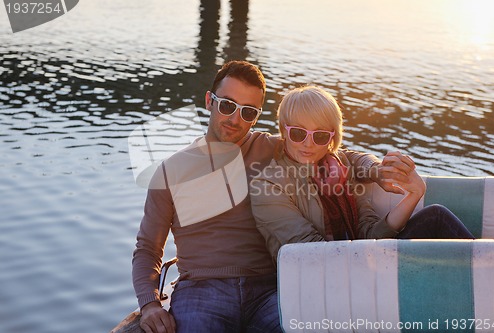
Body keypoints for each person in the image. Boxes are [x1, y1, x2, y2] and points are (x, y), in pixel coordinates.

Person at [132, 62, 414, 333]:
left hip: (271, 289)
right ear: (209, 101)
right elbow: (148, 249)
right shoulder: (170, 171)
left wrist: (375, 170)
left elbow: (338, 153)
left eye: (248, 112)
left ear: (256, 117)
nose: (234, 119)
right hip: (203, 290)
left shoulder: (272, 148)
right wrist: (149, 304)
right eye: (227, 105)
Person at [250, 85, 474, 264]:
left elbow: (371, 235)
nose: (308, 143)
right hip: (319, 278)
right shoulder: (269, 185)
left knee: (436, 216)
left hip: (362, 261)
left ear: (332, 138)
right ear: (283, 130)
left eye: (319, 136)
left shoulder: (339, 167)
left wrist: (412, 194)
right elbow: (311, 252)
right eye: (298, 133)